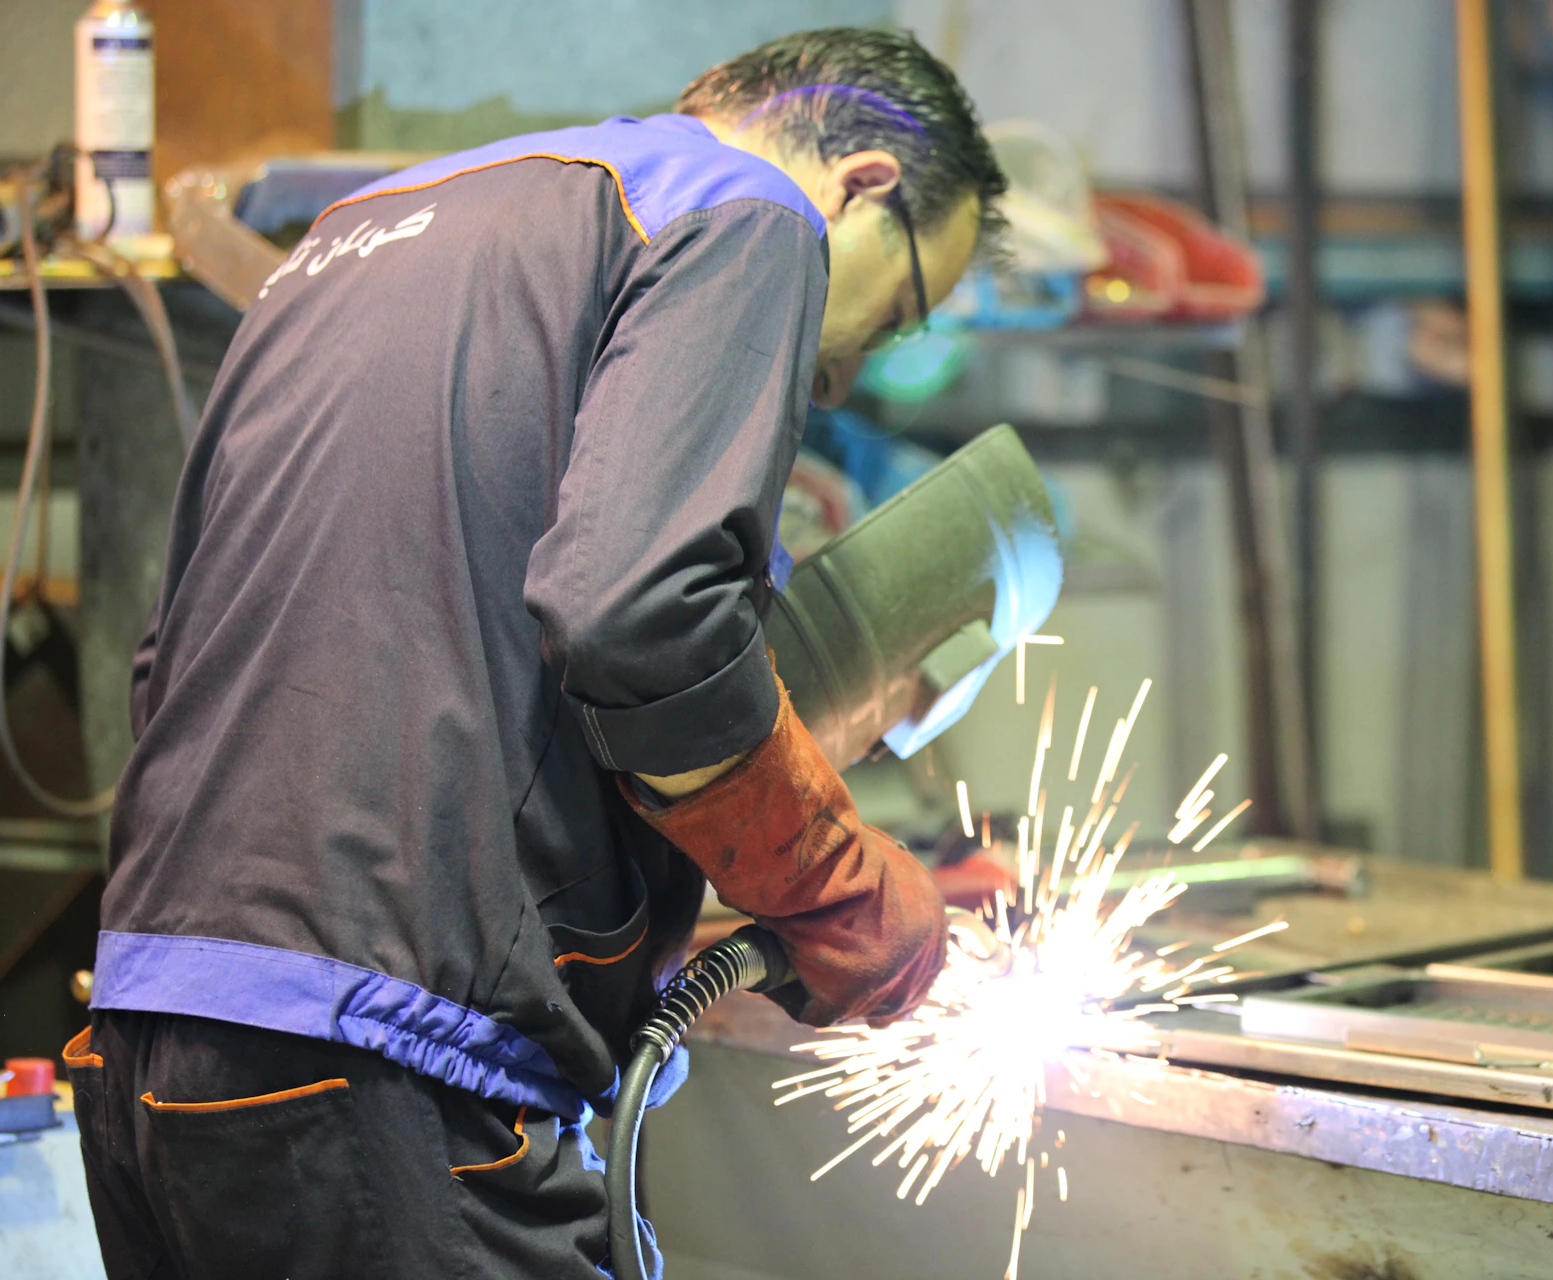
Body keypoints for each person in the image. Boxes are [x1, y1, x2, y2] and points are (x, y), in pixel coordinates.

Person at [66, 28, 1008, 1278]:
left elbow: (170, 655)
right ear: (862, 183)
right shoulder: (748, 211)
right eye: (896, 315)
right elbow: (641, 617)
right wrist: (826, 877)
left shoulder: (362, 230)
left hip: (151, 1032)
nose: (838, 378)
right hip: (384, 1061)